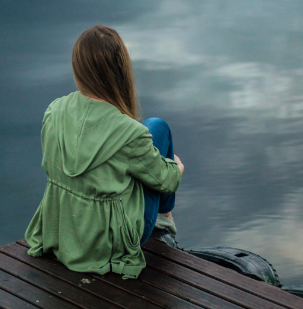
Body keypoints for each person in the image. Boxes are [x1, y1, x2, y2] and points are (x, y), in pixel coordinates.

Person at [23, 25, 185, 280]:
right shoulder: (130, 133)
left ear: (78, 69)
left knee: (148, 135)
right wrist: (176, 166)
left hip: (65, 232)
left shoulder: (53, 111)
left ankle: (162, 219)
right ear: (120, 71)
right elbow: (169, 181)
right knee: (157, 127)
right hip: (109, 244)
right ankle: (164, 221)